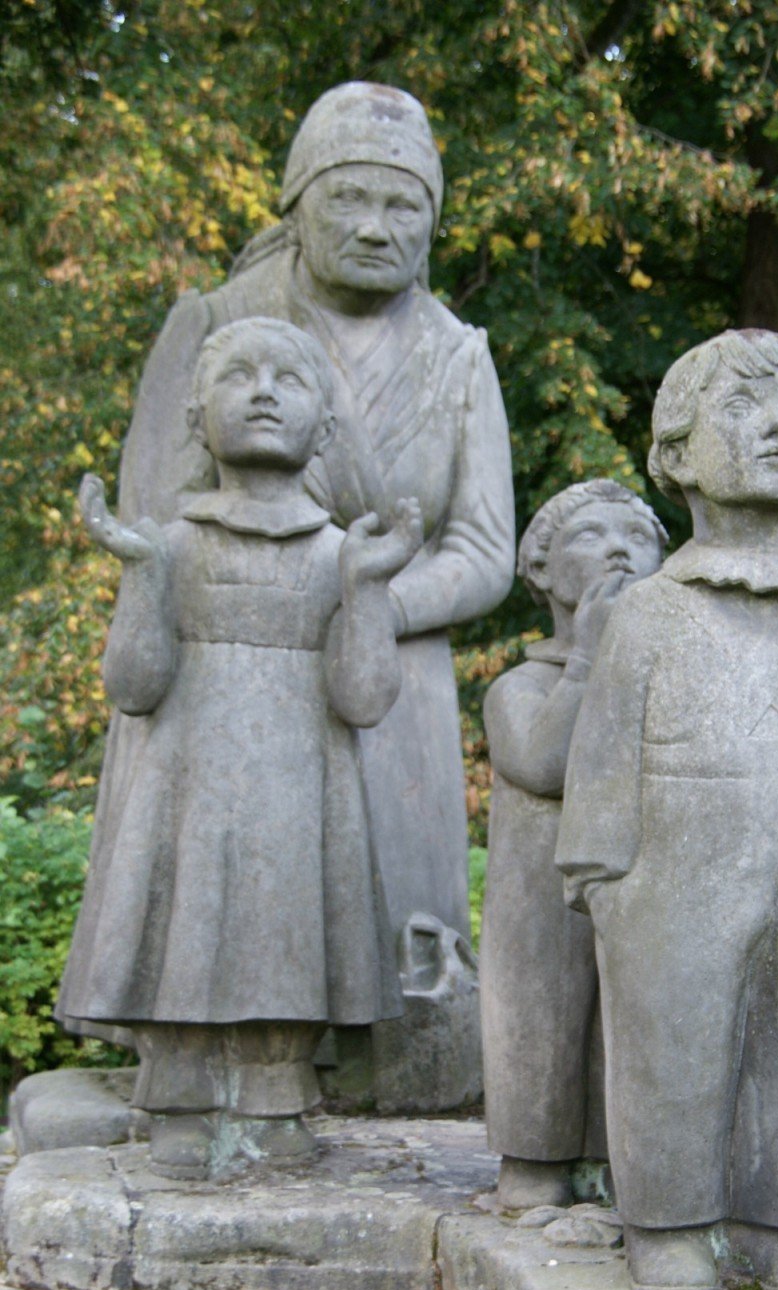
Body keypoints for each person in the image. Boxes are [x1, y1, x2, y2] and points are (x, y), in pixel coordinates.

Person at [113, 83, 515, 1096]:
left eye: (404, 206)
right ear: (298, 205)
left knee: (391, 917)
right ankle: (194, 1054)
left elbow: (482, 545)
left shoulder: (457, 355)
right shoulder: (218, 324)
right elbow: (156, 511)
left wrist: (370, 604)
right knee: (219, 895)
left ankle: (402, 1062)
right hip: (221, 659)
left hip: (388, 669)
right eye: (348, 201)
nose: (376, 227)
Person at [556, 329, 778, 1290]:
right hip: (668, 869)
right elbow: (605, 747)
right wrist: (599, 872)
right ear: (674, 452)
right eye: (743, 408)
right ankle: (669, 1220)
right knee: (675, 1041)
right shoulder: (649, 612)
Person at [59, 317, 420, 1178]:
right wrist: (140, 579)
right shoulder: (171, 545)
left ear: (324, 429)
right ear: (197, 419)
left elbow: (364, 698)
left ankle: (275, 1095)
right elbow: (134, 688)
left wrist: (369, 590)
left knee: (287, 919)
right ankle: (182, 1095)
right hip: (186, 783)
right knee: (183, 921)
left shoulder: (341, 553)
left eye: (288, 379)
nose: (263, 392)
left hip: (303, 785)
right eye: (239, 376)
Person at [480, 481, 667, 1210]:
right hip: (539, 891)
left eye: (640, 536)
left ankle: (622, 1166)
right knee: (542, 1018)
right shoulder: (520, 686)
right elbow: (545, 763)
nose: (619, 547)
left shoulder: (668, 682)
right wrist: (589, 660)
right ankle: (534, 1162)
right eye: (589, 534)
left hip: (634, 877)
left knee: (631, 1020)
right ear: (542, 570)